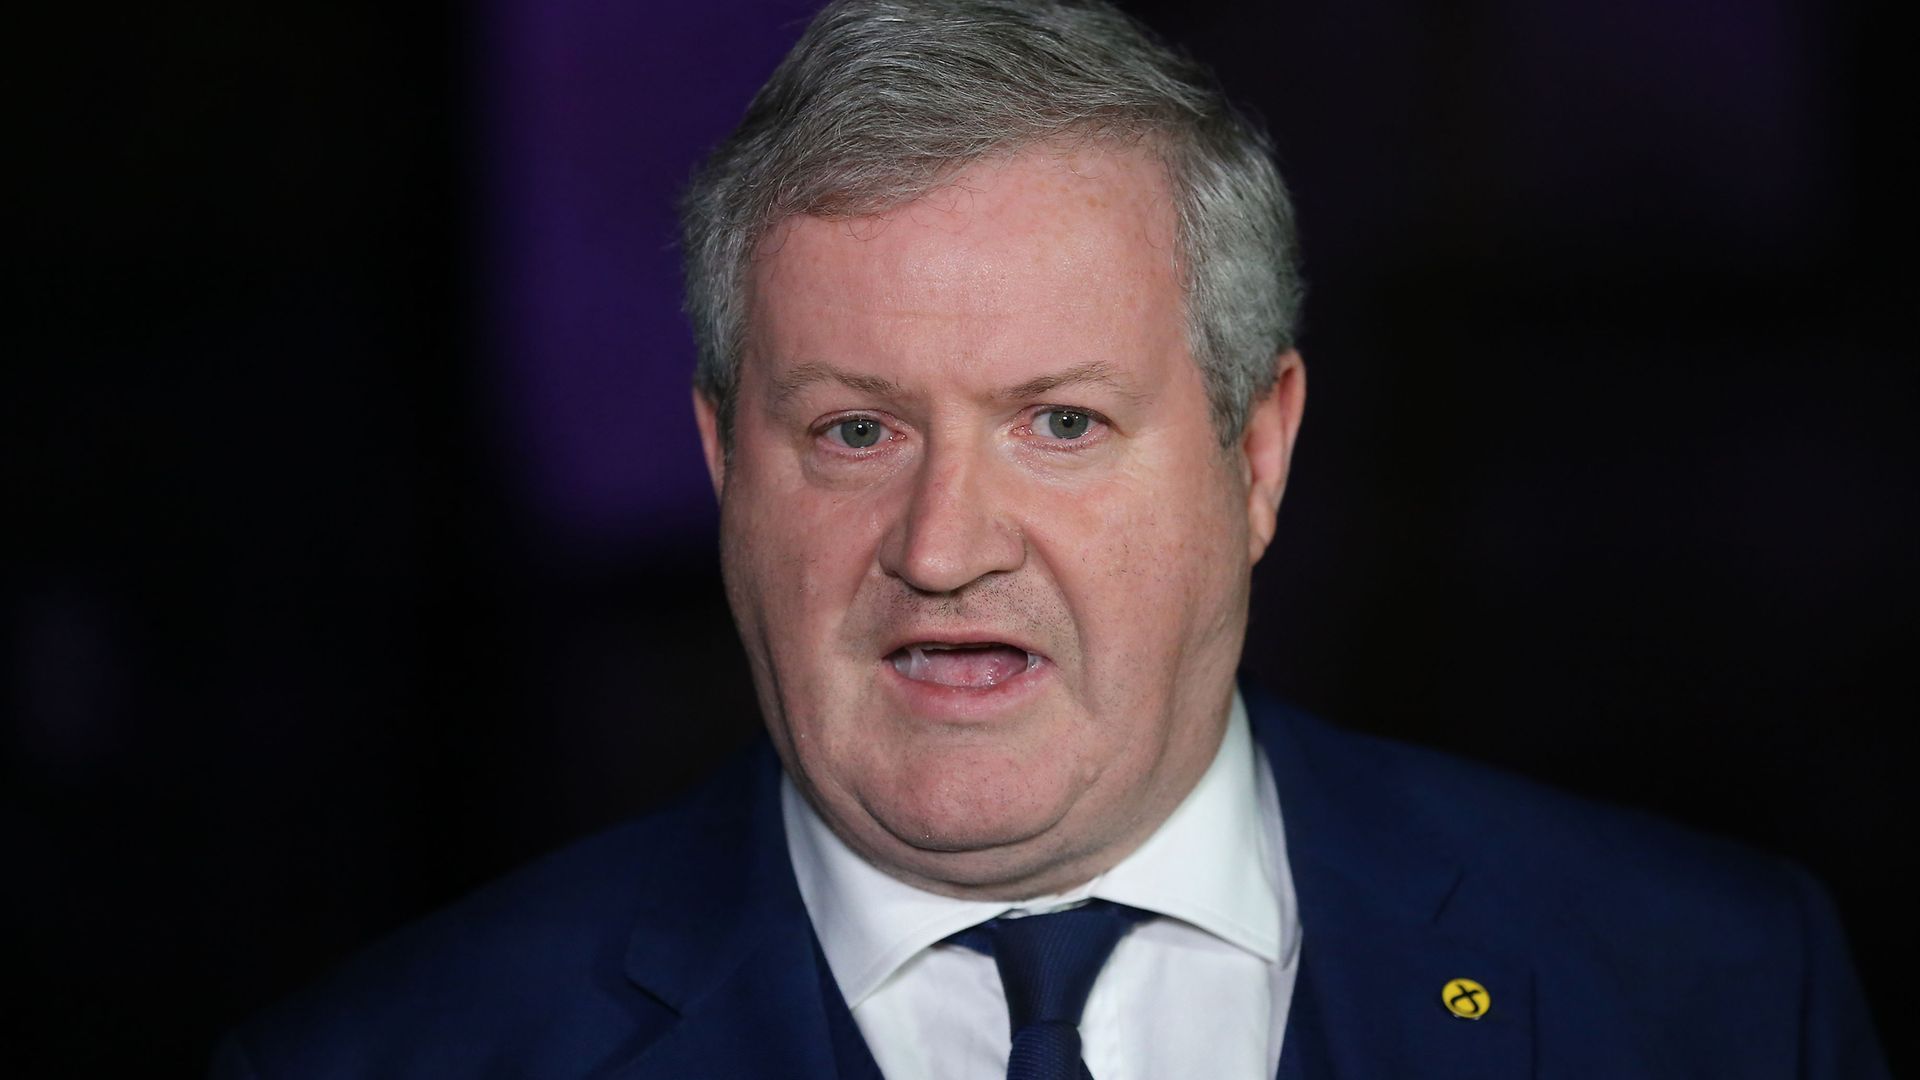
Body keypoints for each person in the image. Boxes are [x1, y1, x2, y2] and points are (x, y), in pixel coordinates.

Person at [212, 1, 1888, 1076]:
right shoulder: (390, 1058)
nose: (945, 547)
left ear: (1257, 452)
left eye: (1061, 424)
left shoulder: (1716, 994)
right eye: (855, 432)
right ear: (725, 464)